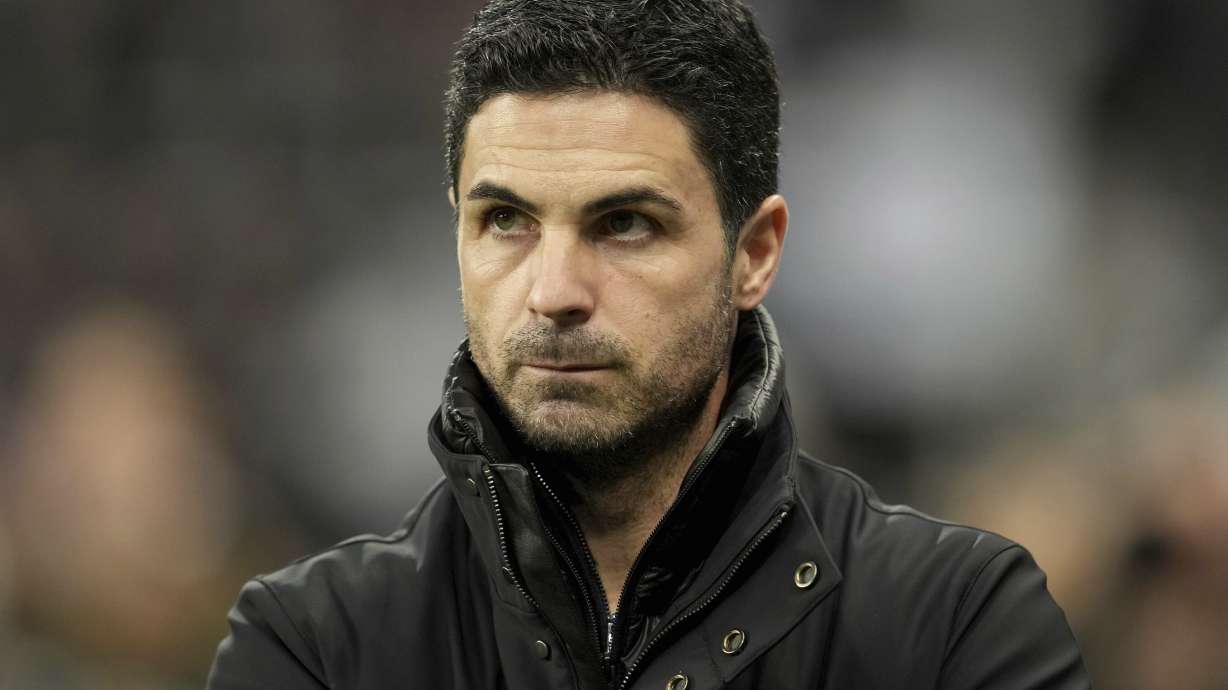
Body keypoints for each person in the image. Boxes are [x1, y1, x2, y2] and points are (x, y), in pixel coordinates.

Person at [206, 1, 1090, 688]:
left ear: (755, 254)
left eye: (625, 224)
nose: (553, 293)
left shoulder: (958, 625)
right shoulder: (315, 646)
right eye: (505, 220)